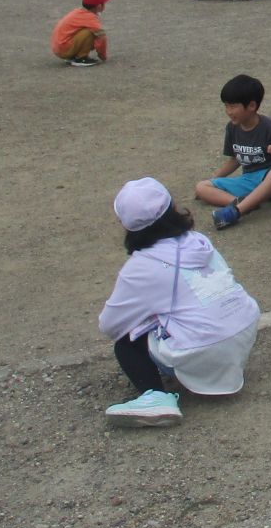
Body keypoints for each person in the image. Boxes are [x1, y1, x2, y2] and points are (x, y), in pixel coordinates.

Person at [98, 177, 260, 427]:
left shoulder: (140, 267)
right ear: (171, 208)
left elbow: (109, 325)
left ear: (127, 225)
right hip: (244, 328)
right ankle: (219, 364)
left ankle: (155, 396)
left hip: (205, 347)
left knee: (126, 342)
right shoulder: (197, 241)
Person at [195, 74, 271, 230]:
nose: (228, 111)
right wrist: (214, 179)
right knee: (202, 187)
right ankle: (244, 202)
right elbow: (235, 159)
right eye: (226, 106)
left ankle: (236, 212)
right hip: (249, 180)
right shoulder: (232, 128)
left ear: (251, 106)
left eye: (233, 106)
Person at [50, 0, 111, 67]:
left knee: (89, 31)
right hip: (64, 49)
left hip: (60, 47)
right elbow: (101, 37)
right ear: (99, 6)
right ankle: (81, 58)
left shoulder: (79, 12)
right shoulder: (90, 18)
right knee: (91, 32)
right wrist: (102, 55)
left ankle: (74, 56)